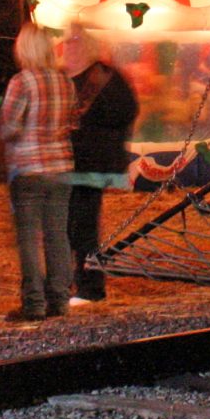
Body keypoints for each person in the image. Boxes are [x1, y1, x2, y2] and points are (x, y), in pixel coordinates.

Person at [0, 22, 76, 321]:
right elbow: (71, 121)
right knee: (57, 235)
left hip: (29, 168)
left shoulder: (22, 81)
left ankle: (34, 303)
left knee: (28, 238)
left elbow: (11, 127)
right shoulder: (65, 81)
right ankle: (60, 300)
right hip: (62, 166)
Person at [62, 34, 138, 306]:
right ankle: (75, 281)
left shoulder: (103, 77)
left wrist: (90, 125)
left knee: (83, 227)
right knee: (69, 226)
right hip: (69, 161)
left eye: (73, 42)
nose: (67, 47)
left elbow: (126, 110)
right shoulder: (66, 76)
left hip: (91, 163)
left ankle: (90, 287)